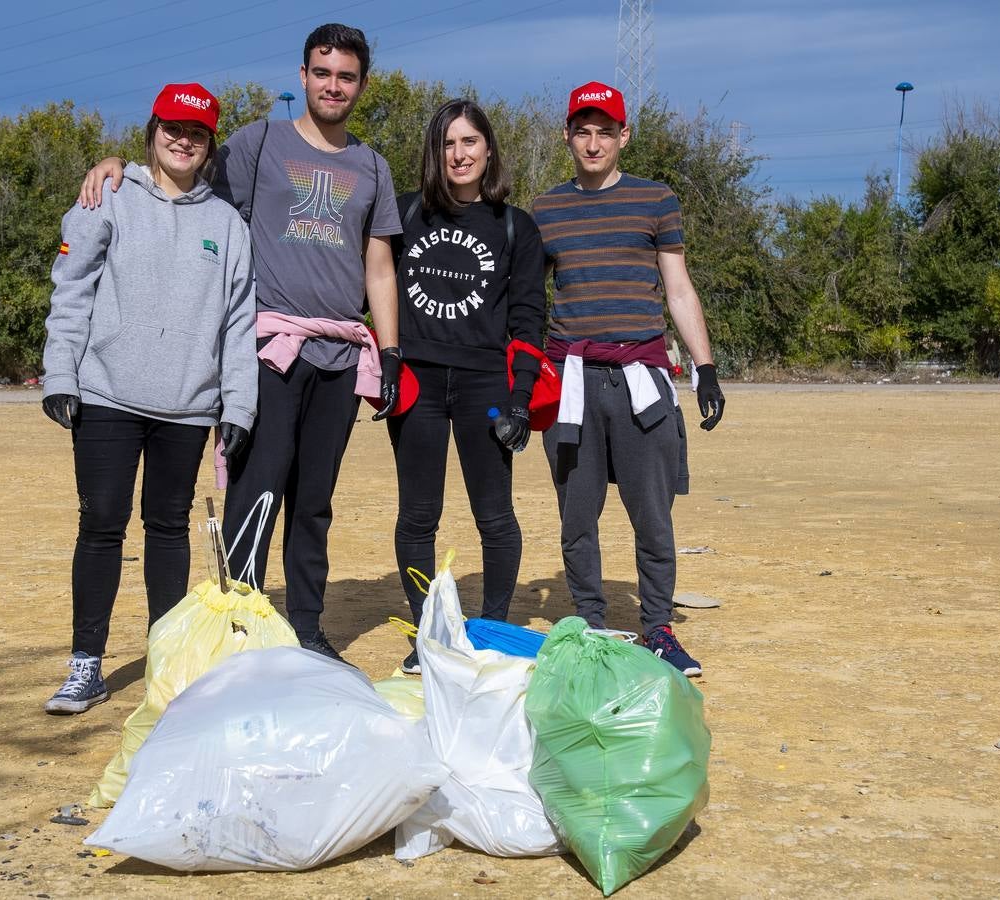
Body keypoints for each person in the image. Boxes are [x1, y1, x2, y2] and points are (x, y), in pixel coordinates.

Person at [77, 25, 401, 664]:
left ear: (362, 84)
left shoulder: (371, 165)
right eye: (322, 72)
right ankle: (243, 627)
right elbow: (182, 176)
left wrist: (389, 354)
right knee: (257, 492)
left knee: (314, 504)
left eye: (346, 76)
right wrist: (118, 165)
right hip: (269, 348)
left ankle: (307, 629)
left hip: (339, 353)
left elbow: (380, 264)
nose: (333, 85)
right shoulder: (259, 143)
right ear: (303, 75)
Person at [40, 82, 257, 714]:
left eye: (196, 132)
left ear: (209, 143)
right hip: (106, 394)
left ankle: (165, 658)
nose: (182, 140)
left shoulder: (228, 225)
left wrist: (237, 407)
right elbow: (72, 287)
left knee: (167, 528)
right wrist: (61, 374)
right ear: (153, 131)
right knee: (101, 523)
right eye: (172, 128)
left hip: (188, 405)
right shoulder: (107, 197)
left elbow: (240, 323)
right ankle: (86, 665)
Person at [530, 82, 726, 677]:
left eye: (605, 131)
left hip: (643, 376)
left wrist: (706, 368)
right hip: (570, 381)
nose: (593, 142)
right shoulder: (545, 210)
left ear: (624, 137)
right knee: (577, 513)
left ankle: (659, 628)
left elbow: (679, 287)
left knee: (653, 512)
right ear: (567, 135)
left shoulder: (657, 200)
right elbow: (524, 303)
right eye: (582, 131)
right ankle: (590, 624)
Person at [387, 99, 547, 673]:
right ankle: (426, 636)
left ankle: (494, 629)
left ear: (488, 150)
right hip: (417, 383)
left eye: (470, 142)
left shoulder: (515, 226)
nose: (459, 154)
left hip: (485, 386)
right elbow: (365, 282)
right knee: (417, 516)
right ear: (436, 152)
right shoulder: (403, 215)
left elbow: (529, 318)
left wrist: (522, 400)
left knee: (495, 516)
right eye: (448, 143)